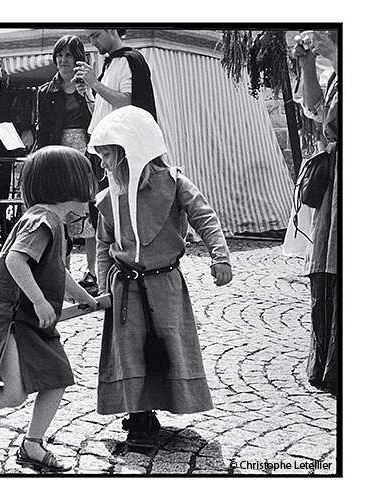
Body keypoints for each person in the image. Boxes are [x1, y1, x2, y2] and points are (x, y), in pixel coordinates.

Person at [89, 107, 232, 449]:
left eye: (107, 155)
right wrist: (104, 282)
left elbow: (204, 216)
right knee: (130, 349)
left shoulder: (176, 183)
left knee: (167, 345)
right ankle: (139, 416)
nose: (103, 165)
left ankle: (155, 406)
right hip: (125, 288)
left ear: (129, 151)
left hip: (165, 284)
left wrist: (220, 256)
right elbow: (103, 244)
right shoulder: (111, 198)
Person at [0, 146, 99, 472]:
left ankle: (33, 444)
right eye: (86, 190)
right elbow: (15, 260)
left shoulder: (53, 222)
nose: (90, 202)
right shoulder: (42, 220)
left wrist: (86, 298)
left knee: (57, 378)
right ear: (66, 186)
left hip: (33, 321)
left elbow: (57, 272)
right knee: (14, 394)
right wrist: (39, 300)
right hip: (14, 320)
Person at [73, 28, 158, 295]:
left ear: (112, 29)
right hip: (103, 150)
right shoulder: (110, 62)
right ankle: (106, 274)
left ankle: (125, 271)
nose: (93, 42)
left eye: (96, 35)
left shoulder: (130, 60)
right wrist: (89, 91)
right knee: (105, 212)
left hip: (121, 151)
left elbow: (129, 104)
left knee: (121, 210)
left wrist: (95, 84)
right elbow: (102, 111)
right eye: (90, 37)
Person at [291, 30, 339, 395]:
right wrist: (308, 65)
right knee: (327, 261)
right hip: (336, 178)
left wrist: (338, 54)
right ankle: (330, 361)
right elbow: (315, 110)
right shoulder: (335, 76)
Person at [34, 35, 97, 293]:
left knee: (88, 210)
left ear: (78, 59)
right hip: (58, 155)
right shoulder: (45, 91)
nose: (63, 61)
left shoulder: (88, 88)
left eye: (68, 56)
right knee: (60, 212)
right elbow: (41, 130)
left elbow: (100, 118)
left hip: (86, 153)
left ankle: (92, 270)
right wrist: (39, 161)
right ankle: (63, 269)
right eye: (60, 56)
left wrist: (90, 93)